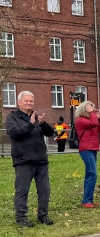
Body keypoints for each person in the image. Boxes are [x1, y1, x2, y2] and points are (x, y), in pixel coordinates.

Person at [6, 91, 55, 227]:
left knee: (44, 190)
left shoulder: (36, 117)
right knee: (22, 190)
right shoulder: (12, 117)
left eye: (31, 101)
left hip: (41, 160)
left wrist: (43, 123)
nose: (29, 103)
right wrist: (30, 124)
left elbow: (50, 133)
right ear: (19, 102)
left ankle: (43, 215)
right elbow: (15, 134)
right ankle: (21, 218)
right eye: (26, 101)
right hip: (23, 160)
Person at [74, 101, 100, 208]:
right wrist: (93, 114)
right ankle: (86, 200)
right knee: (92, 173)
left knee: (89, 174)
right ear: (85, 109)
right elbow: (94, 124)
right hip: (86, 149)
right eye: (90, 108)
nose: (93, 110)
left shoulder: (92, 120)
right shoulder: (80, 120)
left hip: (93, 148)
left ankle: (88, 200)